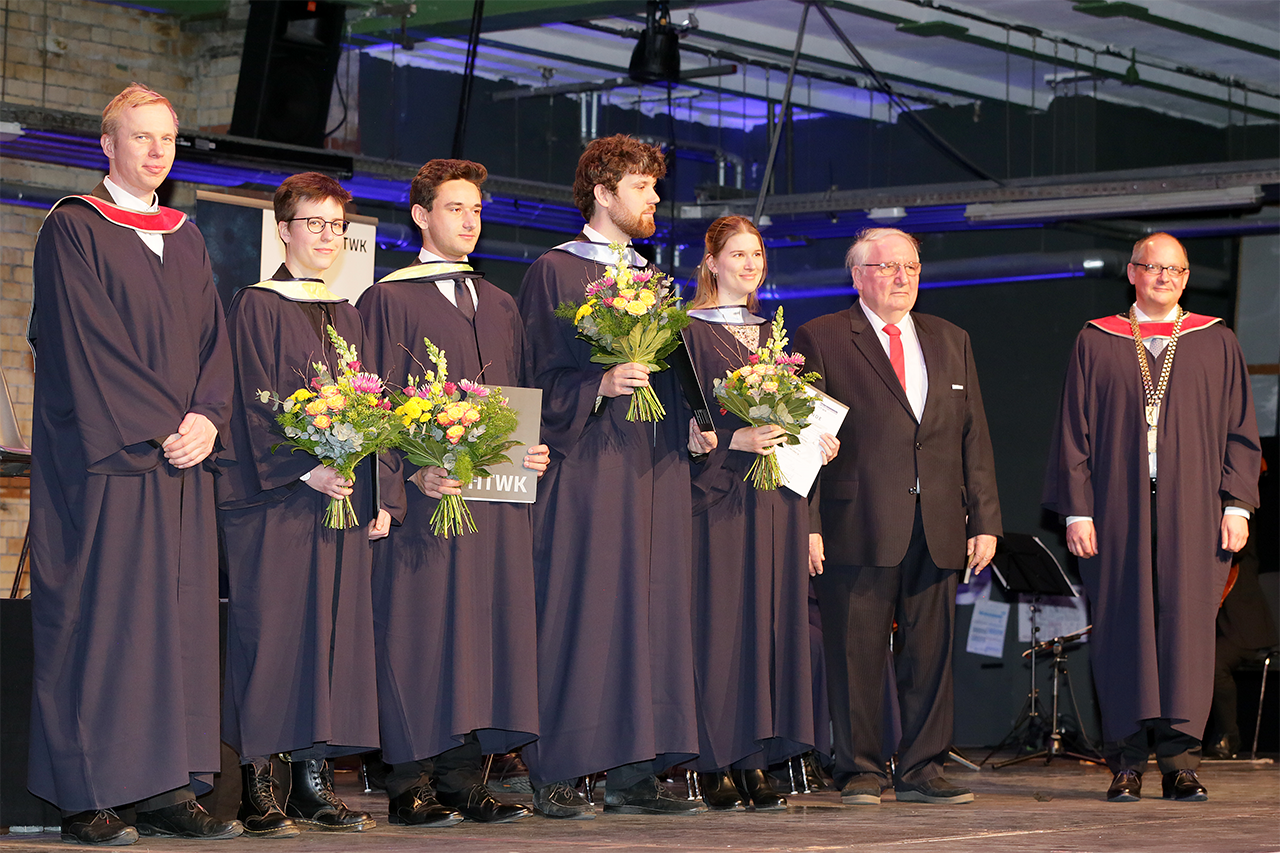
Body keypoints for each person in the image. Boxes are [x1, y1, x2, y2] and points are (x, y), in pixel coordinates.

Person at [27, 83, 241, 845]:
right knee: (104, 624)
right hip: (109, 468)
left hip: (180, 465)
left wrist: (208, 419)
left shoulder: (185, 236)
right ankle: (90, 793)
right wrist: (165, 424)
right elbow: (88, 348)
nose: (156, 152)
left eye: (168, 139)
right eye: (141, 137)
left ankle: (165, 786)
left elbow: (217, 343)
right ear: (107, 146)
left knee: (176, 626)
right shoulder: (74, 230)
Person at [516, 134, 717, 819]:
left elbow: (674, 368)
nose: (654, 198)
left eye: (654, 187)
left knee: (651, 612)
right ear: (603, 194)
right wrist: (597, 383)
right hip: (588, 467)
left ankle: (635, 769)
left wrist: (692, 422)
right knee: (584, 609)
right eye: (642, 187)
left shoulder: (656, 279)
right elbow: (535, 375)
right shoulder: (555, 271)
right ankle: (557, 767)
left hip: (652, 464)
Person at [356, 159, 545, 828]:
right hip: (425, 507)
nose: (469, 220)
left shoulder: (498, 303)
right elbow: (371, 409)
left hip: (490, 507)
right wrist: (407, 477)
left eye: (475, 209)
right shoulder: (388, 300)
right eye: (455, 208)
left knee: (481, 636)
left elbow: (514, 401)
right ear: (421, 215)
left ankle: (466, 778)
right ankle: (409, 778)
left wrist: (531, 449)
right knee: (418, 636)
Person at [1044, 232, 1261, 802]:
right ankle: (1126, 761)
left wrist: (1236, 503)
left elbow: (1242, 431)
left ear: (1186, 277)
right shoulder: (1098, 340)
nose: (1164, 277)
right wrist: (1077, 510)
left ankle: (1180, 761)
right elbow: (1074, 432)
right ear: (1133, 273)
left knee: (1187, 630)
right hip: (1116, 508)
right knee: (1122, 629)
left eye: (1175, 269)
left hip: (1195, 506)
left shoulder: (1217, 342)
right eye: (1152, 267)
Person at [218, 172, 400, 836]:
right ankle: (260, 784)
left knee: (333, 642)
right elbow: (251, 403)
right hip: (278, 506)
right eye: (315, 223)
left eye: (337, 226)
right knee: (274, 639)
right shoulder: (256, 307)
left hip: (342, 503)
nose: (328, 237)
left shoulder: (347, 313)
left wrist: (380, 492)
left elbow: (374, 405)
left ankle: (312, 782)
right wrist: (305, 470)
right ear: (284, 229)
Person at [793, 227, 1001, 807]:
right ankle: (858, 769)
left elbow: (973, 437)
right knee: (856, 653)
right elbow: (805, 440)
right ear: (856, 275)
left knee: (931, 656)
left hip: (936, 523)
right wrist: (807, 524)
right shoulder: (824, 337)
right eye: (887, 267)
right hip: (855, 521)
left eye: (910, 266)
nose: (902, 277)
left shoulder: (950, 338)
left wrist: (983, 520)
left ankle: (923, 768)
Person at [683, 216, 837, 811]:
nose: (750, 265)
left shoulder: (774, 337)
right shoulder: (687, 334)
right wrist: (730, 443)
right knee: (719, 629)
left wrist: (814, 442)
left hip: (775, 503)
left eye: (758, 254)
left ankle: (755, 759)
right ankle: (714, 760)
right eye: (738, 254)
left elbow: (788, 421)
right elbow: (681, 430)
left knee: (767, 629)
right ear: (713, 261)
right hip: (719, 503)